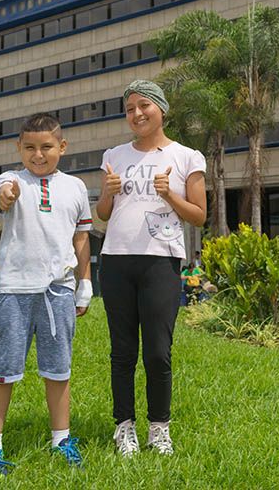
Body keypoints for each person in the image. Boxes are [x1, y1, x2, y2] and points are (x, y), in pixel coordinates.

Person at [96, 80, 207, 456]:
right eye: (129, 109)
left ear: (161, 108)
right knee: (122, 351)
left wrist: (168, 194)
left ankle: (159, 428)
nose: (136, 114)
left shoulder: (187, 157)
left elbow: (199, 216)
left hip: (161, 262)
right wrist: (108, 193)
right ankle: (123, 426)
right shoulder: (114, 153)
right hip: (116, 261)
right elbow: (102, 215)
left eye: (144, 105)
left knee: (158, 351)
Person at [0, 113, 93, 474]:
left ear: (62, 147)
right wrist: (7, 194)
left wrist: (85, 283)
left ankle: (62, 439)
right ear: (19, 148)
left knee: (58, 370)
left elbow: (81, 237)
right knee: (3, 369)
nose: (38, 154)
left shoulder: (75, 188)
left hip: (58, 291)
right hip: (13, 290)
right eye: (29, 147)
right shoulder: (12, 179)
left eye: (46, 147)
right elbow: (1, 193)